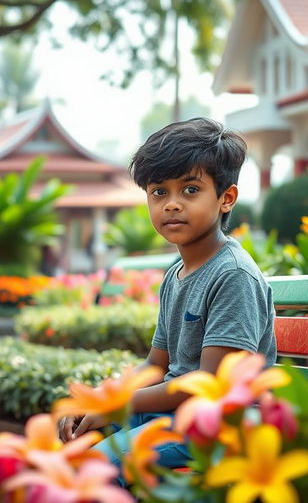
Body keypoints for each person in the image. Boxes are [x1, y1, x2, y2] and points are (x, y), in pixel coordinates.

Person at [58, 117, 277, 480]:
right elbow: (155, 365)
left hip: (219, 426)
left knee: (96, 469)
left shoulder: (232, 275)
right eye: (159, 192)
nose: (172, 204)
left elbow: (207, 385)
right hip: (172, 413)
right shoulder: (177, 274)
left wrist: (118, 405)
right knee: (73, 443)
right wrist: (100, 398)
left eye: (190, 190)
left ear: (226, 198)